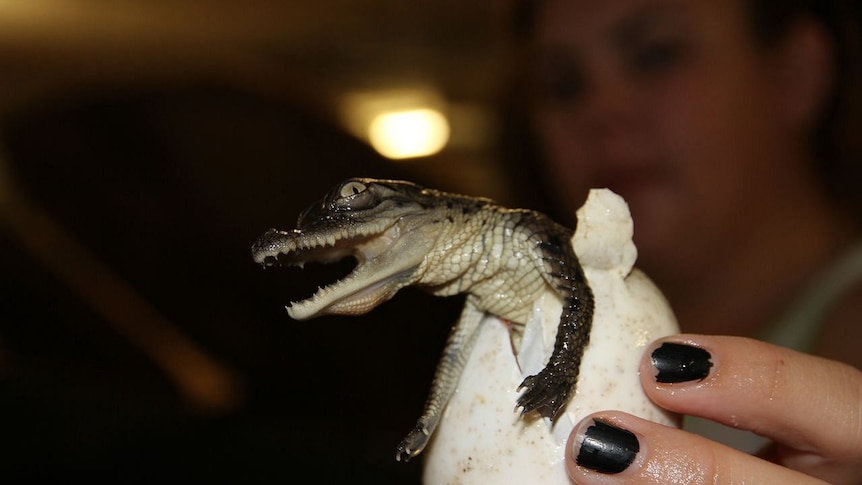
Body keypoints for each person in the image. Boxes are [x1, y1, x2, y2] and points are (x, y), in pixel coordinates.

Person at [509, 0, 862, 482]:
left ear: (798, 71)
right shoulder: (528, 345)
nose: (600, 109)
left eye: (656, 55)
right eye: (562, 85)